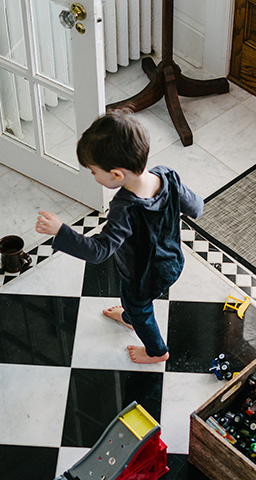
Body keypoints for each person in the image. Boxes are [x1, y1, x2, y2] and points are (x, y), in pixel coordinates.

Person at [35, 110, 203, 364]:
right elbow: (197, 208)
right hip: (172, 261)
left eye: (93, 172)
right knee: (132, 300)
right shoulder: (168, 175)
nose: (92, 176)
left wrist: (61, 231)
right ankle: (129, 316)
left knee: (140, 308)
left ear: (116, 174)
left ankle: (157, 351)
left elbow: (99, 251)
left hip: (143, 275)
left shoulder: (125, 207)